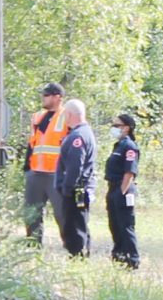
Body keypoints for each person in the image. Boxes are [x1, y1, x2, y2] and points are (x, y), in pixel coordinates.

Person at [20, 84, 66, 244]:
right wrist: (27, 167)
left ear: (58, 97)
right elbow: (32, 143)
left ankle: (72, 248)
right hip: (36, 173)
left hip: (56, 174)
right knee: (32, 213)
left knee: (62, 214)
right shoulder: (38, 116)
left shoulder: (67, 116)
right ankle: (33, 247)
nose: (43, 98)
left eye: (46, 95)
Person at [53, 98, 97, 258]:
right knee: (80, 223)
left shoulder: (77, 137)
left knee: (74, 226)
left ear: (69, 114)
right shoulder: (85, 132)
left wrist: (66, 188)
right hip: (78, 189)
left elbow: (75, 166)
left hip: (74, 190)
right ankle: (82, 251)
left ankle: (77, 255)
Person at [104, 112, 141, 268]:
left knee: (125, 225)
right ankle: (119, 256)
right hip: (113, 188)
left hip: (123, 189)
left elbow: (129, 172)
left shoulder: (130, 147)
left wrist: (122, 192)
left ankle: (132, 259)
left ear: (127, 128)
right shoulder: (118, 145)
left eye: (117, 125)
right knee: (115, 224)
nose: (114, 128)